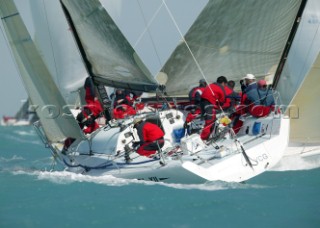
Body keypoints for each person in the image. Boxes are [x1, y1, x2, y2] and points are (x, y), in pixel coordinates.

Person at [200, 76, 228, 140]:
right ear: (223, 83)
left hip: (202, 102)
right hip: (209, 104)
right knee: (210, 121)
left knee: (209, 119)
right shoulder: (221, 88)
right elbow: (222, 101)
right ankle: (203, 138)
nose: (225, 86)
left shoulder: (211, 85)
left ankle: (209, 134)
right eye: (225, 84)